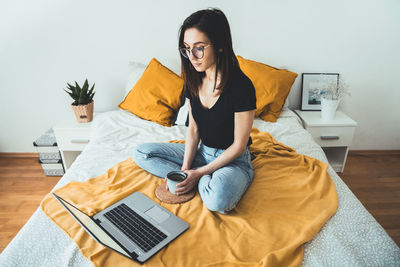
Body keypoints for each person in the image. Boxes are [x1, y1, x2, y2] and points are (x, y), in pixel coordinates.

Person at [133, 8, 256, 214]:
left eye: (199, 48)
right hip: (202, 153)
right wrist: (184, 170)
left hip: (232, 160)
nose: (192, 56)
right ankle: (193, 181)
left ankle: (200, 181)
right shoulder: (192, 80)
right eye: (187, 49)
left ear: (219, 46)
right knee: (142, 153)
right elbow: (193, 131)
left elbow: (238, 145)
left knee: (218, 201)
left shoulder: (242, 86)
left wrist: (198, 173)